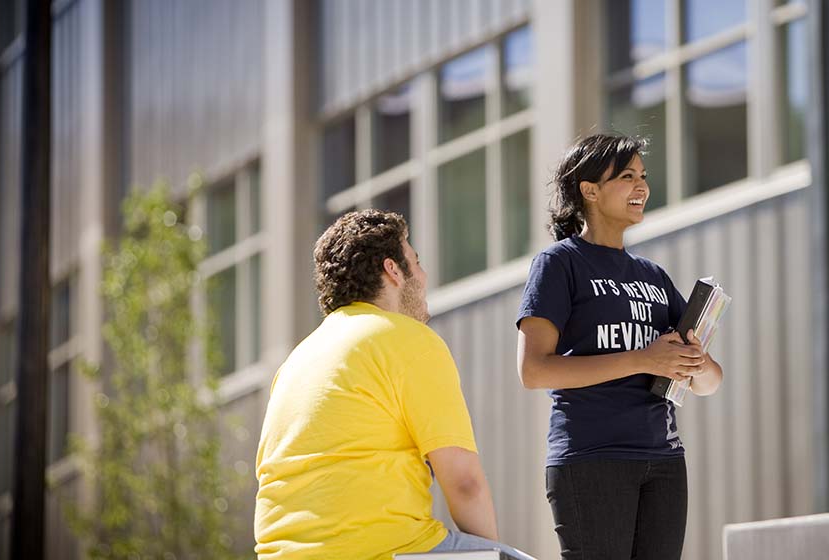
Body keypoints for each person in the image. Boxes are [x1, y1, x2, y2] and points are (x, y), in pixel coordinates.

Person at [254, 210, 535, 560]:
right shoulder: (407, 338)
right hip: (385, 551)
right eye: (416, 262)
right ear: (393, 270)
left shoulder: (296, 360)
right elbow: (465, 483)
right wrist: (492, 554)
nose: (424, 274)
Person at [516, 133, 723, 559]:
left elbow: (708, 384)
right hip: (590, 458)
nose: (642, 187)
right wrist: (643, 359)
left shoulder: (654, 276)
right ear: (589, 190)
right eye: (627, 176)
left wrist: (696, 363)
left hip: (664, 461)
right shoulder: (559, 263)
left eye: (643, 176)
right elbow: (534, 370)